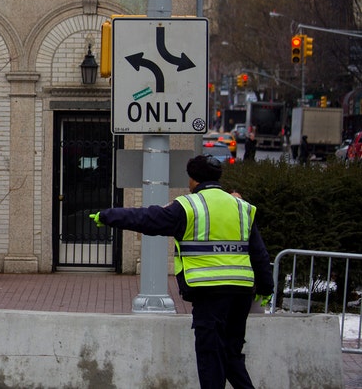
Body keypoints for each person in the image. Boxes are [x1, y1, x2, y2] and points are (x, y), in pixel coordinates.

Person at [89, 155, 274, 389]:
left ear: (193, 180)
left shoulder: (188, 206)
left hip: (209, 292)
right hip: (241, 293)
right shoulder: (242, 207)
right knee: (231, 354)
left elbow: (147, 218)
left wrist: (108, 216)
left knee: (210, 356)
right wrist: (267, 288)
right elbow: (259, 253)